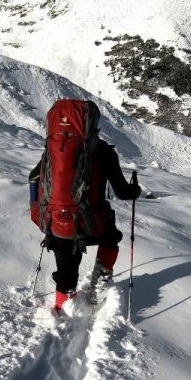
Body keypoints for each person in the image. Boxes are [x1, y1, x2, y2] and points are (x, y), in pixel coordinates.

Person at [29, 106, 140, 310]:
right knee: (111, 237)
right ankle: (98, 284)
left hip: (56, 224)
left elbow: (33, 178)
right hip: (92, 225)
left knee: (65, 268)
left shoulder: (52, 150)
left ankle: (64, 307)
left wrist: (39, 209)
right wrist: (135, 190)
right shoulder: (104, 152)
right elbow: (123, 192)